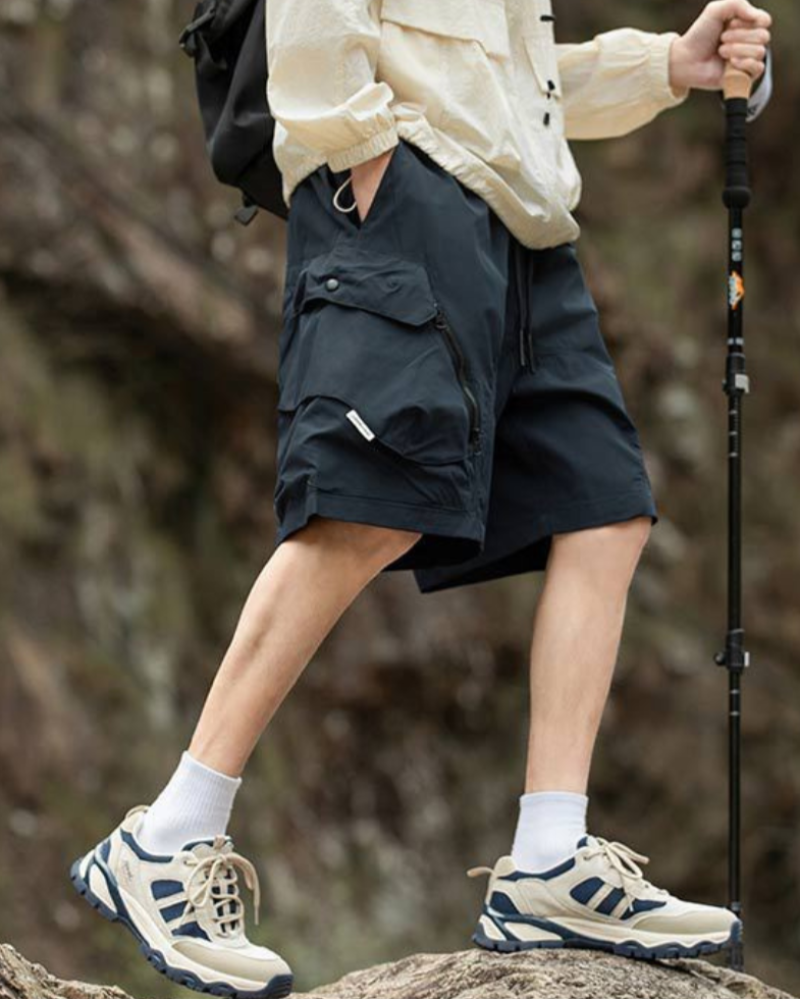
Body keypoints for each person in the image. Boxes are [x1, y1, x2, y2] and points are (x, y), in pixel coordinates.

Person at [69, 1, 772, 996]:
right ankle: (167, 837)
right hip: (406, 200)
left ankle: (548, 858)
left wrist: (665, 65)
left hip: (526, 230)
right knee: (365, 507)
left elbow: (508, 81)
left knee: (603, 508)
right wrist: (368, 162)